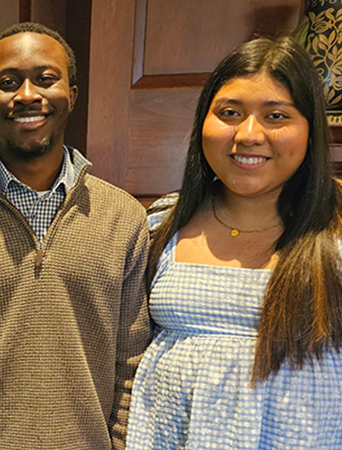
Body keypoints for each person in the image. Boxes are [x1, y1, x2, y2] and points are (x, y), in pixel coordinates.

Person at [0, 22, 151, 449]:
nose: (26, 95)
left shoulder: (124, 218)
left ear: (71, 95)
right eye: (8, 83)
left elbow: (131, 363)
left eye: (45, 79)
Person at [126, 36, 342, 449]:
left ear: (311, 130)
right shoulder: (161, 224)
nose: (248, 135)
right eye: (229, 113)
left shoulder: (334, 232)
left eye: (276, 116)